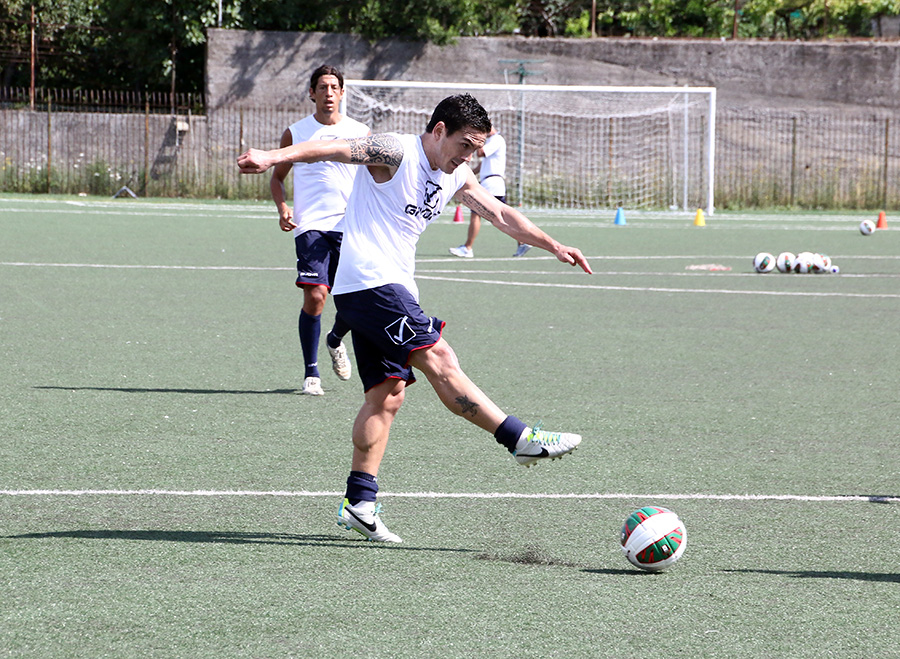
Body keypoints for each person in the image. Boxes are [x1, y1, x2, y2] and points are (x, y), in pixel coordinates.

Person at [239, 94, 593, 543]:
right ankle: (519, 439)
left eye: (476, 150)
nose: (469, 157)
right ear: (440, 130)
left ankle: (360, 503)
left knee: (386, 397)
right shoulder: (395, 151)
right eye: (465, 145)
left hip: (386, 288)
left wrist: (554, 245)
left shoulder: (456, 174)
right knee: (439, 356)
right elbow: (326, 149)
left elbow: (501, 214)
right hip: (370, 284)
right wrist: (272, 156)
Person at [269, 64, 369, 396]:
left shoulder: (361, 132)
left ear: (342, 93)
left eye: (333, 87)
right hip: (310, 225)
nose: (328, 93)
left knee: (354, 304)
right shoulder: (296, 133)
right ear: (312, 93)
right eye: (322, 87)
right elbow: (277, 177)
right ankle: (311, 373)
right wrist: (283, 206)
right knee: (315, 296)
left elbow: (376, 180)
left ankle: (335, 338)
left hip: (351, 225)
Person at [448, 127, 531, 258]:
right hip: (491, 182)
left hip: (492, 183)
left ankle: (468, 248)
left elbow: (481, 153)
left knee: (477, 214)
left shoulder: (496, 139)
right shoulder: (493, 141)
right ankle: (523, 241)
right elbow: (482, 165)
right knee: (502, 217)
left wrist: (477, 138)